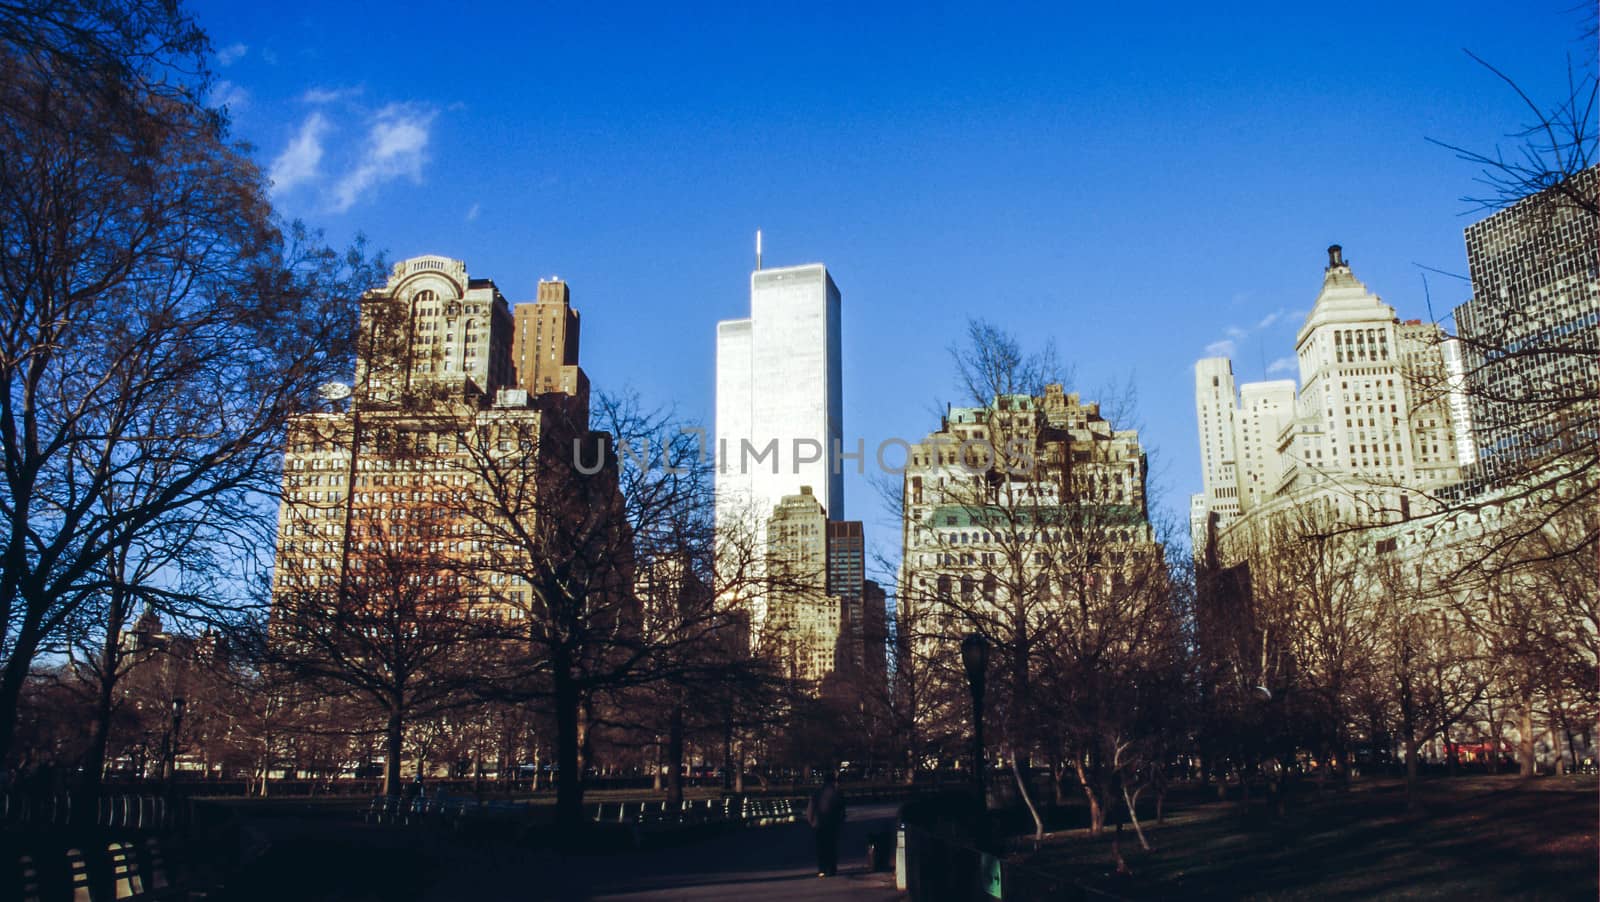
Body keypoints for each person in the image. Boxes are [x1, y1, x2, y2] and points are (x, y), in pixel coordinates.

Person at [805, 771, 847, 877]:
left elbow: (811, 809)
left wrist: (811, 821)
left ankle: (822, 869)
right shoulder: (837, 793)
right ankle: (832, 868)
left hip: (819, 824)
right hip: (832, 824)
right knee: (832, 847)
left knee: (821, 848)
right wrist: (840, 822)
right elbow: (842, 810)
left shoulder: (817, 793)